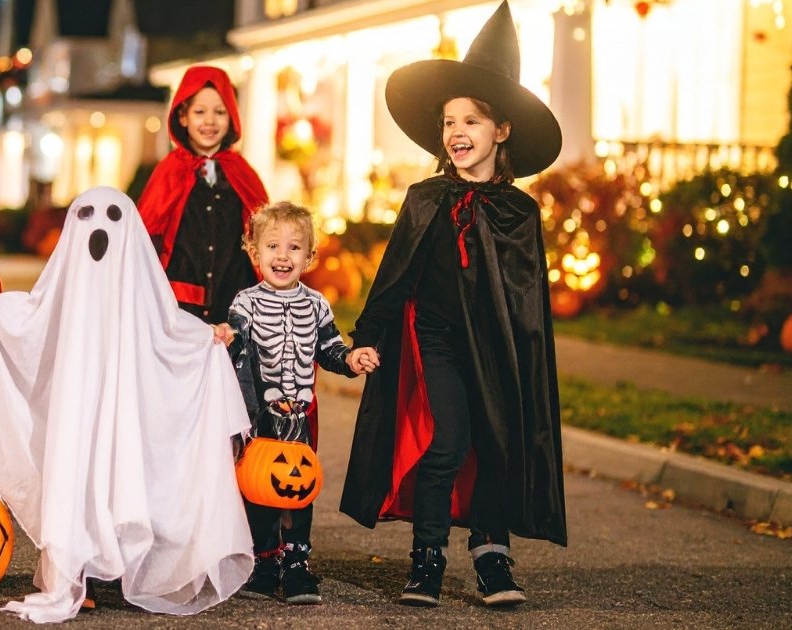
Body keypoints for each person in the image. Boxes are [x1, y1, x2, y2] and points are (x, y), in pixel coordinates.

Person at [0, 186, 253, 624]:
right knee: (77, 469)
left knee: (125, 470)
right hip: (75, 408)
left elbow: (168, 324)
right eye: (87, 215)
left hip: (128, 409)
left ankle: (126, 565)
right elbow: (35, 312)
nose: (100, 229)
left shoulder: (142, 291)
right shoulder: (66, 284)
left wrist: (203, 340)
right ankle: (78, 566)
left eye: (114, 218)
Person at [338, 1, 567, 608]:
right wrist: (366, 334)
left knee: (495, 441)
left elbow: (527, 304)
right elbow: (393, 275)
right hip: (434, 339)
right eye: (448, 122)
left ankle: (493, 558)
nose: (457, 132)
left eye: (471, 120)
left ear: (503, 131)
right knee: (447, 439)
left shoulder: (521, 212)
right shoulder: (425, 198)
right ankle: (428, 556)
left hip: (497, 345)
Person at [218, 201, 374, 604]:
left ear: (310, 256)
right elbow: (234, 337)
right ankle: (264, 561)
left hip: (302, 415)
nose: (282, 256)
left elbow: (330, 348)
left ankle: (297, 561)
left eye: (294, 247)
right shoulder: (246, 302)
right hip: (262, 417)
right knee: (260, 488)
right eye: (272, 246)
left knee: (299, 486)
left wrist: (351, 359)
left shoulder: (317, 304)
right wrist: (226, 335)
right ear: (254, 252)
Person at [138, 64, 268, 325]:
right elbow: (146, 236)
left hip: (234, 303)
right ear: (183, 117)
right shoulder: (169, 172)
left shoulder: (242, 172)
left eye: (220, 112)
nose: (210, 121)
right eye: (199, 112)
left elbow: (267, 231)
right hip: (180, 305)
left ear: (232, 117)